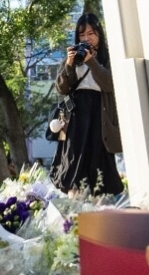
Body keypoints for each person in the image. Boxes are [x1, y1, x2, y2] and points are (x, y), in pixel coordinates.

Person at [50, 12, 123, 196]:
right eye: (82, 34)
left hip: (100, 115)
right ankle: (74, 212)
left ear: (99, 34)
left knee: (98, 161)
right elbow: (61, 88)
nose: (86, 38)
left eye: (91, 33)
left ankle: (99, 209)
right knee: (74, 162)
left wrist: (91, 61)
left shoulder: (108, 57)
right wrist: (69, 64)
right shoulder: (73, 58)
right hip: (75, 117)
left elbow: (108, 84)